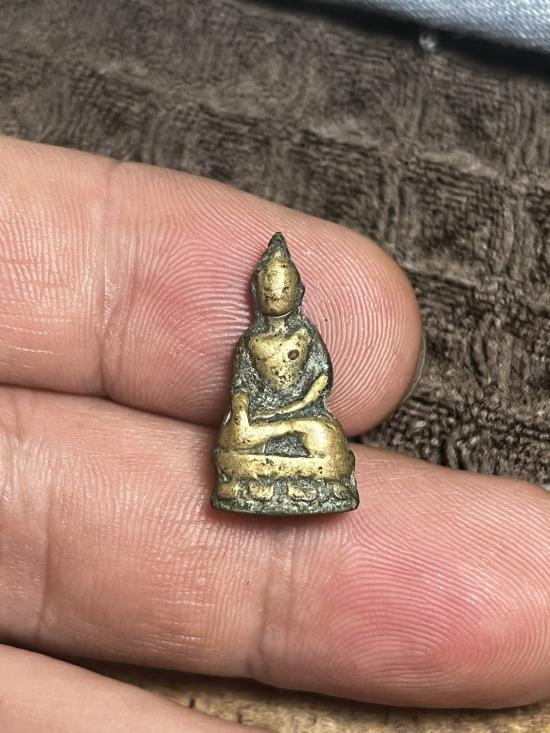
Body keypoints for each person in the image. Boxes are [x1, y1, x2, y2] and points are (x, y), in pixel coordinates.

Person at [1, 135, 549, 732]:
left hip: (301, 417)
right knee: (234, 444)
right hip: (261, 427)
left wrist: (298, 412)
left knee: (327, 443)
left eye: (284, 288)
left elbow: (321, 383)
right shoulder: (250, 341)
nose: (277, 294)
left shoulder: (305, 336)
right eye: (270, 288)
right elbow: (242, 390)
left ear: (297, 292)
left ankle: (291, 472)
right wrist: (246, 416)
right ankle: (264, 471)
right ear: (259, 292)